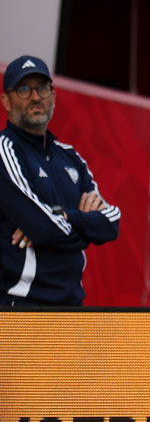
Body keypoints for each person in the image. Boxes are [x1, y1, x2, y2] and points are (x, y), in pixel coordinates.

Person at [0, 55, 121, 306]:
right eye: (24, 89)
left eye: (42, 88)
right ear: (6, 102)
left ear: (53, 97)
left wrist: (66, 217)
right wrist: (83, 224)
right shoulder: (5, 150)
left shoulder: (69, 156)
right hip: (22, 306)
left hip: (72, 308)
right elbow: (43, 228)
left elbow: (111, 223)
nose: (35, 97)